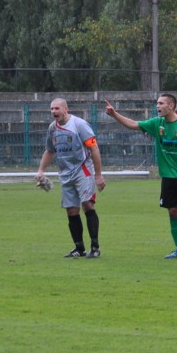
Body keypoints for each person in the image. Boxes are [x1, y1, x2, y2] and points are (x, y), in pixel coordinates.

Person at [105, 94, 177, 258]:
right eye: (157, 103)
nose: (157, 106)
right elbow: (134, 124)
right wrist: (114, 114)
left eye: (161, 103)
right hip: (167, 177)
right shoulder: (157, 123)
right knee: (173, 212)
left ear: (171, 105)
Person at [36, 98, 106, 258]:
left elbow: (94, 148)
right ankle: (79, 248)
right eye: (52, 109)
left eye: (57, 108)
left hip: (83, 170)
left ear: (66, 109)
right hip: (66, 173)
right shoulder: (52, 128)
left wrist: (98, 175)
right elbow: (49, 151)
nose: (54, 112)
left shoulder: (79, 125)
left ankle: (95, 247)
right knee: (71, 210)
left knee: (87, 204)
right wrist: (40, 171)